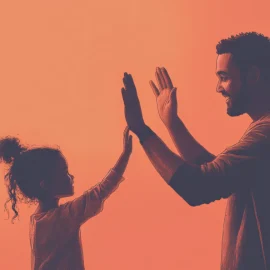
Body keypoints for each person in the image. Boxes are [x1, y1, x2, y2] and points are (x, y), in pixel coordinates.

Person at [121, 32, 270, 269]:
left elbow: (199, 186)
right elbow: (218, 174)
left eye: (224, 77)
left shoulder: (265, 135)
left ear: (252, 75)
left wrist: (143, 132)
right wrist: (173, 124)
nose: (218, 88)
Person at [2, 127, 132, 270]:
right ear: (46, 185)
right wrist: (125, 155)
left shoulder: (37, 220)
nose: (72, 177)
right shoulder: (63, 217)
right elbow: (101, 191)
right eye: (64, 173)